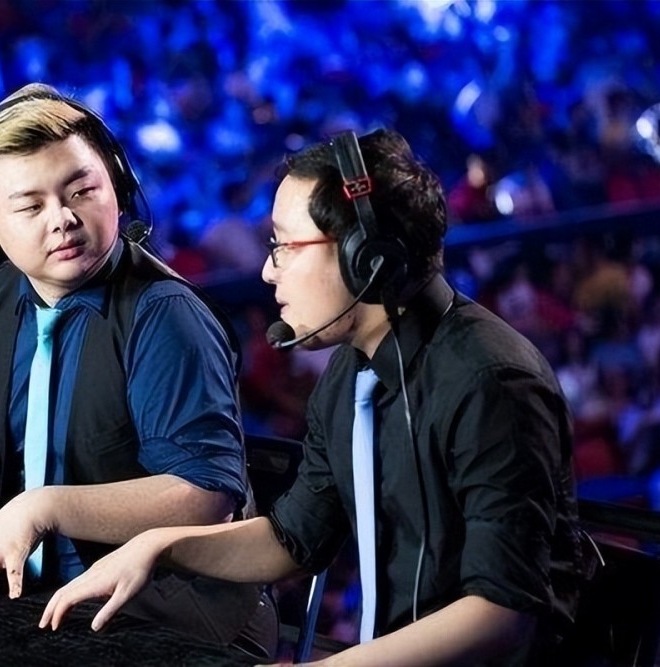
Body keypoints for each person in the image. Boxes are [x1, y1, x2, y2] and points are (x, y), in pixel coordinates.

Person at [41, 129, 592, 666]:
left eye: (283, 246)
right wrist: (159, 546)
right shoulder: (352, 375)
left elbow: (501, 610)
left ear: (366, 257)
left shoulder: (492, 382)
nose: (267, 270)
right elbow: (294, 539)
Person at [0, 83, 277, 659]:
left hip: (167, 611)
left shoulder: (165, 314)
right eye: (31, 206)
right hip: (40, 597)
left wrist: (43, 507)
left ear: (118, 188)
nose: (64, 219)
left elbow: (203, 493)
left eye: (82, 190)